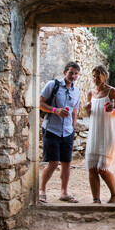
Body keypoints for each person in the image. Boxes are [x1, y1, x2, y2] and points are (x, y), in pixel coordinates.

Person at [39, 61, 81, 203]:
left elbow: (74, 112)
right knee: (53, 162)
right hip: (52, 129)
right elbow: (40, 103)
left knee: (66, 163)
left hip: (68, 131)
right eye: (71, 72)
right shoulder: (53, 85)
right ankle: (42, 190)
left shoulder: (77, 91)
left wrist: (73, 129)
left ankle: (64, 193)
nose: (73, 76)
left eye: (76, 74)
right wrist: (55, 110)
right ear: (65, 72)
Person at [84, 65, 115, 204]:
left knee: (103, 169)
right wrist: (87, 109)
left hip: (108, 133)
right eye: (93, 76)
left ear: (104, 76)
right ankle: (96, 200)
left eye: (98, 76)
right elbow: (90, 115)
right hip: (95, 133)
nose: (95, 79)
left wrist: (113, 110)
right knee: (92, 168)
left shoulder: (112, 91)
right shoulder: (90, 93)